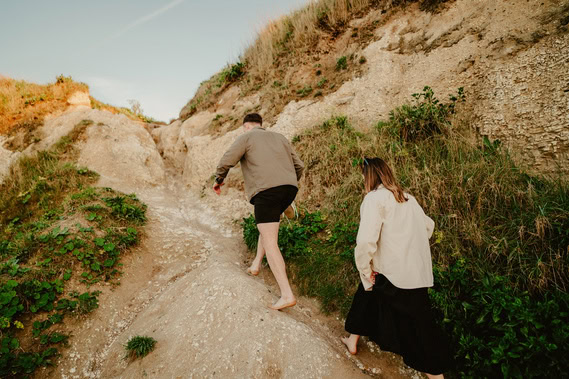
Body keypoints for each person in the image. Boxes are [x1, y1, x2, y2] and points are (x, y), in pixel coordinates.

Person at [341, 157, 453, 378]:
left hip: (395, 275)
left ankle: (436, 376)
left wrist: (365, 268)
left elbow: (365, 241)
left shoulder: (374, 199)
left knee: (420, 331)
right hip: (416, 271)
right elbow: (428, 227)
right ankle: (352, 339)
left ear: (369, 176)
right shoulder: (408, 198)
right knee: (366, 292)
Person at [213, 113, 304, 310]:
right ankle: (256, 264)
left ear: (246, 126)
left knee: (271, 241)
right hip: (289, 189)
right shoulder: (280, 138)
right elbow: (299, 166)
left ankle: (287, 294)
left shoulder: (246, 137)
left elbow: (227, 160)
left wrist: (219, 179)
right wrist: (288, 181)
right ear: (261, 125)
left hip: (266, 192)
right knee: (268, 228)